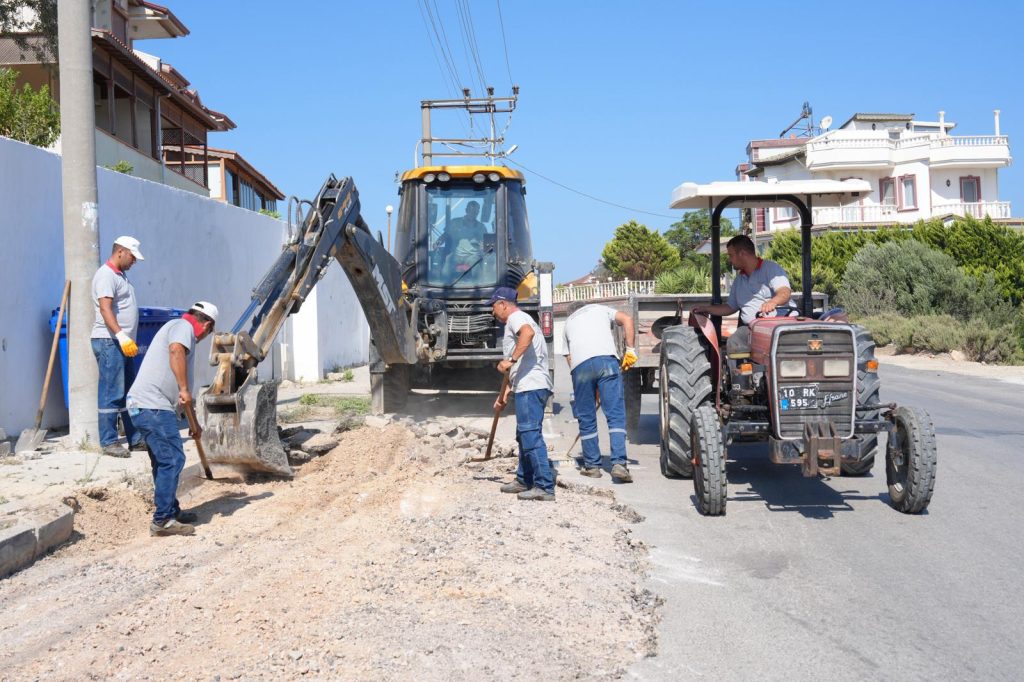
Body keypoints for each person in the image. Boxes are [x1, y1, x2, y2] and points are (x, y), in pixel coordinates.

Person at [127, 301, 218, 536]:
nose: (204, 337)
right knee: (172, 459)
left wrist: (194, 424)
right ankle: (162, 520)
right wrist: (184, 388)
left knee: (163, 460)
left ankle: (171, 510)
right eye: (208, 332)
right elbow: (176, 351)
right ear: (206, 325)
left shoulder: (177, 328)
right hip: (152, 405)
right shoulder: (182, 326)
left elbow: (184, 398)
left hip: (146, 406)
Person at [490, 287, 556, 501]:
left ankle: (544, 486)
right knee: (524, 435)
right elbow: (519, 367)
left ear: (503, 304)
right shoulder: (519, 319)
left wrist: (510, 360)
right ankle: (524, 479)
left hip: (531, 386)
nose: (492, 312)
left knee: (530, 435)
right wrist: (505, 394)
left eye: (493, 306)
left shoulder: (516, 318)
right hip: (527, 385)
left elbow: (527, 333)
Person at [562, 302, 638, 482]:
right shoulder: (599, 309)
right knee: (615, 415)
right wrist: (630, 350)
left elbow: (569, 357)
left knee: (586, 417)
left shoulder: (567, 323)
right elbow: (627, 319)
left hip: (580, 368)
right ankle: (619, 464)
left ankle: (592, 466)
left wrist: (587, 385)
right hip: (606, 362)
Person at [691, 234, 792, 355]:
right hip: (752, 330)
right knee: (734, 342)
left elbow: (784, 292)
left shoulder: (770, 268)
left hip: (779, 327)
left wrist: (773, 302)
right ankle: (740, 368)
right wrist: (706, 309)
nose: (729, 260)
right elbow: (730, 307)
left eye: (731, 255)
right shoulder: (739, 280)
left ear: (742, 254)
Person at [91, 235, 145, 458]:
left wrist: (125, 339)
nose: (134, 261)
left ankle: (135, 439)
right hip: (110, 341)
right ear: (120, 251)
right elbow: (105, 309)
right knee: (111, 392)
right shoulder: (106, 275)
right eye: (132, 256)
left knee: (129, 392)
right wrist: (121, 335)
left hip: (122, 343)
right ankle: (109, 441)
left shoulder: (119, 275)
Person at [442, 201, 488, 278]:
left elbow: (485, 243)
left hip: (473, 256)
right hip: (456, 254)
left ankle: (479, 283)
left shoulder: (481, 227)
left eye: (475, 212)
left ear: (478, 212)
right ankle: (444, 283)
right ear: (466, 210)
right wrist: (438, 242)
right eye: (471, 211)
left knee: (476, 266)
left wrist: (483, 246)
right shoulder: (455, 222)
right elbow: (445, 235)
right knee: (447, 266)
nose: (473, 214)